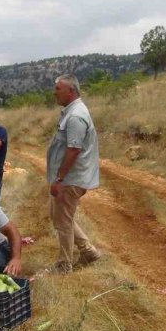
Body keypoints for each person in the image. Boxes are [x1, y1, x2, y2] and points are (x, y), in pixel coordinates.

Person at [45, 74, 102, 274]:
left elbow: (74, 149)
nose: (54, 92)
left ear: (71, 91)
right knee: (59, 216)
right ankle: (88, 251)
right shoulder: (71, 112)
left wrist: (59, 179)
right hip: (68, 178)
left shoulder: (76, 116)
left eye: (58, 89)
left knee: (63, 222)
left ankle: (64, 265)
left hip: (70, 179)